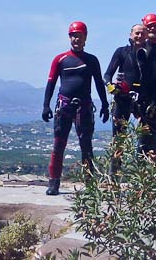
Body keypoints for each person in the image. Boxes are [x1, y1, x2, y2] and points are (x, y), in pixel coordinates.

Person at [42, 21, 109, 195]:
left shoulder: (92, 60)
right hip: (64, 106)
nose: (76, 39)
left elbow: (99, 84)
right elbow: (51, 83)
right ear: (69, 37)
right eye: (73, 35)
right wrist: (45, 105)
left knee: (86, 146)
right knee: (59, 145)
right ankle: (54, 183)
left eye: (79, 35)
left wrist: (105, 104)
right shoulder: (60, 59)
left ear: (85, 38)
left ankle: (90, 184)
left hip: (84, 107)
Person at [104, 23, 156, 156]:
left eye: (142, 33)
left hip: (143, 101)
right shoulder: (121, 52)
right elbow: (107, 74)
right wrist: (110, 86)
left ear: (147, 35)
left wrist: (154, 100)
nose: (139, 36)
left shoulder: (153, 54)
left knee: (145, 140)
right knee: (119, 140)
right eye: (137, 33)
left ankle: (140, 172)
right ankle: (114, 174)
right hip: (122, 99)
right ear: (130, 35)